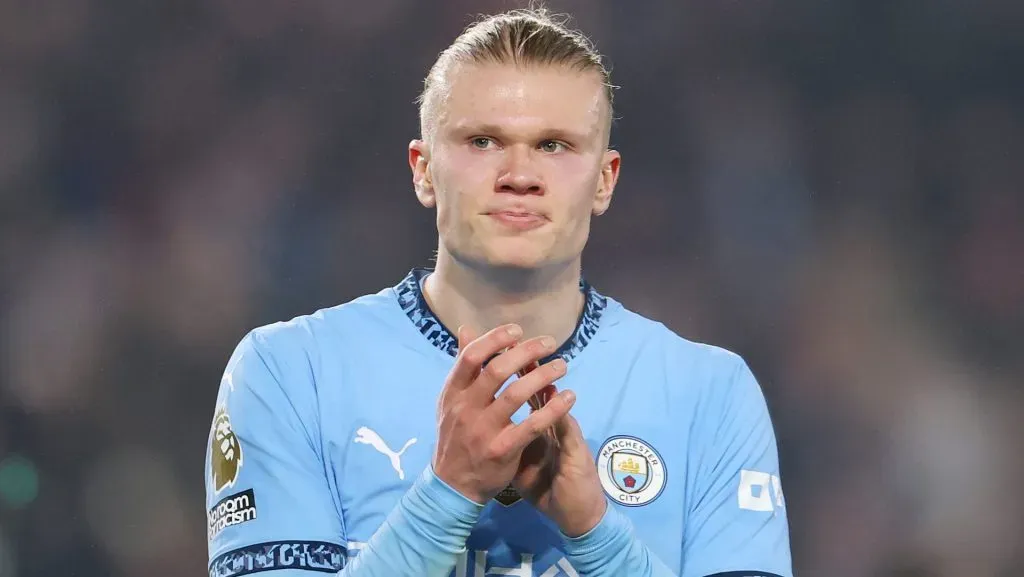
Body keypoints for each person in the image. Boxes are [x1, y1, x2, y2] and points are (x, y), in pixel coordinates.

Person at [204, 7, 792, 577]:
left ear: (605, 180)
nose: (519, 174)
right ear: (423, 169)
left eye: (554, 145)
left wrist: (593, 530)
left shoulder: (710, 395)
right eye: (483, 141)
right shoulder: (289, 373)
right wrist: (448, 492)